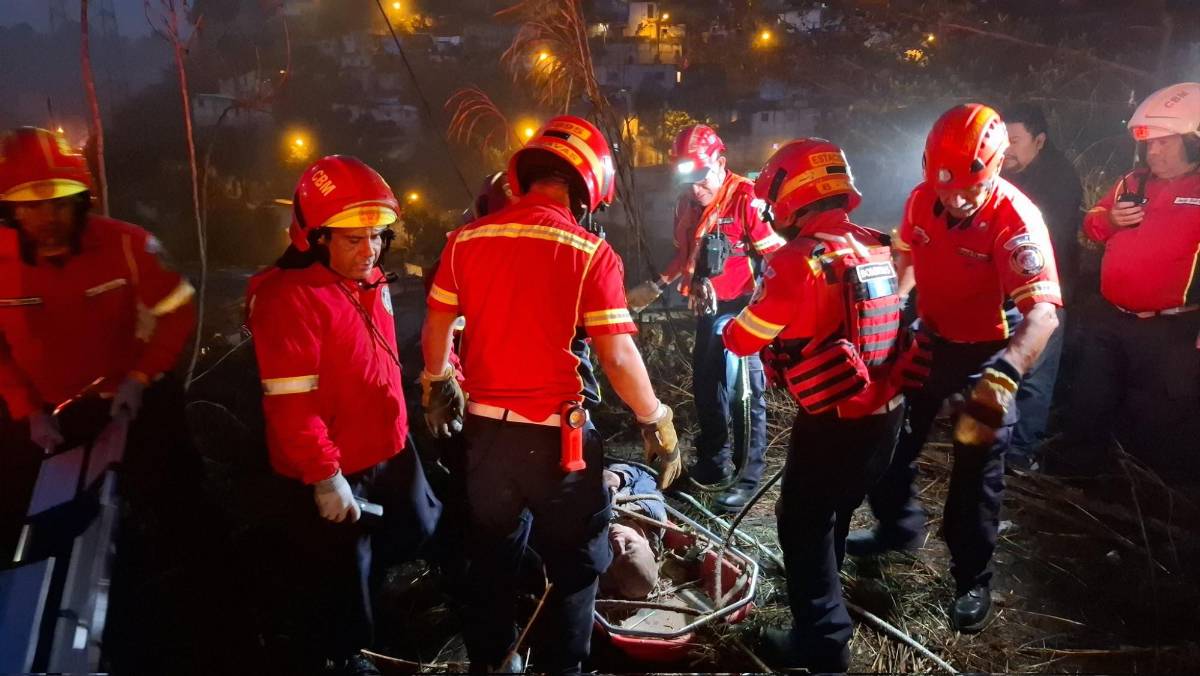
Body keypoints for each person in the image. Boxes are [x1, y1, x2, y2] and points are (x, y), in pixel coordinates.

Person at [421, 115, 680, 674]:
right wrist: (655, 418)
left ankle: (496, 662)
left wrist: (438, 379)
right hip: (558, 446)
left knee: (490, 559)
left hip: (485, 437)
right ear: (590, 189)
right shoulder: (589, 252)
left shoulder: (465, 240)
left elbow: (439, 321)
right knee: (575, 570)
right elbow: (615, 355)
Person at [846, 104, 1063, 633]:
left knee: (976, 471)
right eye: (946, 187)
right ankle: (898, 527)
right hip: (933, 338)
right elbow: (909, 257)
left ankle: (972, 577)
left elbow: (1044, 314)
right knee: (890, 439)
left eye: (970, 187)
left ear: (997, 168)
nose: (956, 199)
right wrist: (897, 311)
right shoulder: (922, 199)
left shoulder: (1016, 219)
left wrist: (1005, 374)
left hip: (991, 353)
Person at [0, 126, 203, 670]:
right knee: (25, 523)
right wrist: (27, 411)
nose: (45, 219)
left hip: (127, 395)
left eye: (58, 204)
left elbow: (177, 308)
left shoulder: (128, 244)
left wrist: (141, 376)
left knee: (179, 508)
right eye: (29, 208)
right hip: (41, 409)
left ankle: (183, 620)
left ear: (80, 199)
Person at [246, 155, 442, 676]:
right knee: (341, 572)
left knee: (414, 528)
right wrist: (325, 476)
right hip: (337, 465)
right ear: (316, 238)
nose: (370, 249)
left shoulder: (370, 280)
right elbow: (291, 403)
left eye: (377, 236)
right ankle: (344, 654)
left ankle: (375, 606)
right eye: (354, 239)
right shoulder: (287, 298)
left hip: (387, 446)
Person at [722, 139, 907, 671]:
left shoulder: (796, 260)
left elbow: (743, 339)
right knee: (836, 512)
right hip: (886, 417)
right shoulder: (875, 245)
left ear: (787, 194)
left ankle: (822, 643)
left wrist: (737, 321)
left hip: (832, 423)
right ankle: (827, 591)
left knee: (800, 522)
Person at [626, 124, 785, 512]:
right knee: (706, 387)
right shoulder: (687, 203)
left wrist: (763, 309)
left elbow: (777, 261)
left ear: (721, 162)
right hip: (709, 311)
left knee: (744, 395)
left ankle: (747, 478)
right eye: (688, 180)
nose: (696, 188)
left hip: (744, 311)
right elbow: (689, 254)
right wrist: (658, 284)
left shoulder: (747, 200)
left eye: (701, 178)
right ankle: (714, 463)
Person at [1055, 82, 1200, 479]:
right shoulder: (1131, 182)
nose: (1153, 152)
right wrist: (1110, 220)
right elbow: (1091, 224)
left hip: (1171, 329)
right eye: (1149, 144)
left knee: (1154, 415)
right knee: (1089, 402)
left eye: (1164, 143)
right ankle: (1076, 476)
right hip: (1110, 317)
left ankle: (1144, 493)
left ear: (1192, 141)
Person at [1000, 103, 1083, 469]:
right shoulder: (1006, 173)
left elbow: (1044, 239)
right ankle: (995, 444)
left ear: (1040, 140)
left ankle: (1020, 454)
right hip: (1006, 292)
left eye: (1015, 140)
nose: (1007, 150)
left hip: (1045, 294)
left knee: (1035, 375)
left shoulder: (1059, 179)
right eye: (1002, 141)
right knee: (1004, 368)